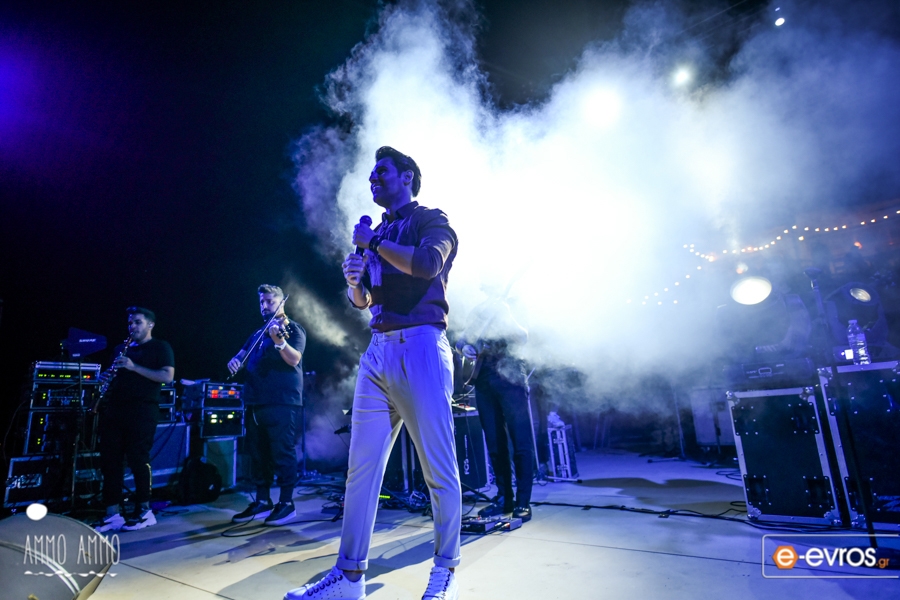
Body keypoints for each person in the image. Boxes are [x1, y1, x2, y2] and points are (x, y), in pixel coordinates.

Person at [284, 147, 461, 600]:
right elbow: (365, 303)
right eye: (371, 173)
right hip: (378, 350)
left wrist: (374, 245)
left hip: (421, 344)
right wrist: (354, 283)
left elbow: (427, 265)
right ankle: (349, 578)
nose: (372, 178)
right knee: (360, 470)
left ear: (408, 177)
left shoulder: (432, 221)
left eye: (382, 171)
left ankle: (445, 571)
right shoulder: (377, 233)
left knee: (438, 469)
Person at [228, 284, 307, 526]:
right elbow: (241, 354)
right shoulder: (257, 332)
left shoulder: (293, 329)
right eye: (262, 301)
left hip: (281, 400)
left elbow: (294, 359)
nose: (265, 306)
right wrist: (235, 360)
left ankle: (287, 503)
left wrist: (279, 341)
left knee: (282, 452)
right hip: (255, 400)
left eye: (270, 301)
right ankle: (263, 501)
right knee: (258, 454)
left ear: (282, 302)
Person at [93, 307, 175, 532]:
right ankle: (113, 514)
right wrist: (106, 378)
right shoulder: (120, 349)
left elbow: (167, 376)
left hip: (142, 410)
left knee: (139, 459)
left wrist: (134, 367)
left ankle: (144, 511)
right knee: (110, 461)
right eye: (130, 323)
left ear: (150, 324)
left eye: (138, 322)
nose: (132, 327)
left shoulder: (160, 347)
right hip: (116, 409)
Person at [456, 296, 534, 522]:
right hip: (483, 379)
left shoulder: (515, 305)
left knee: (521, 441)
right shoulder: (480, 309)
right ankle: (503, 498)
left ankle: (523, 501)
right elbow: (460, 341)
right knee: (494, 443)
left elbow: (523, 337)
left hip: (511, 376)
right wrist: (465, 348)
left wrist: (506, 314)